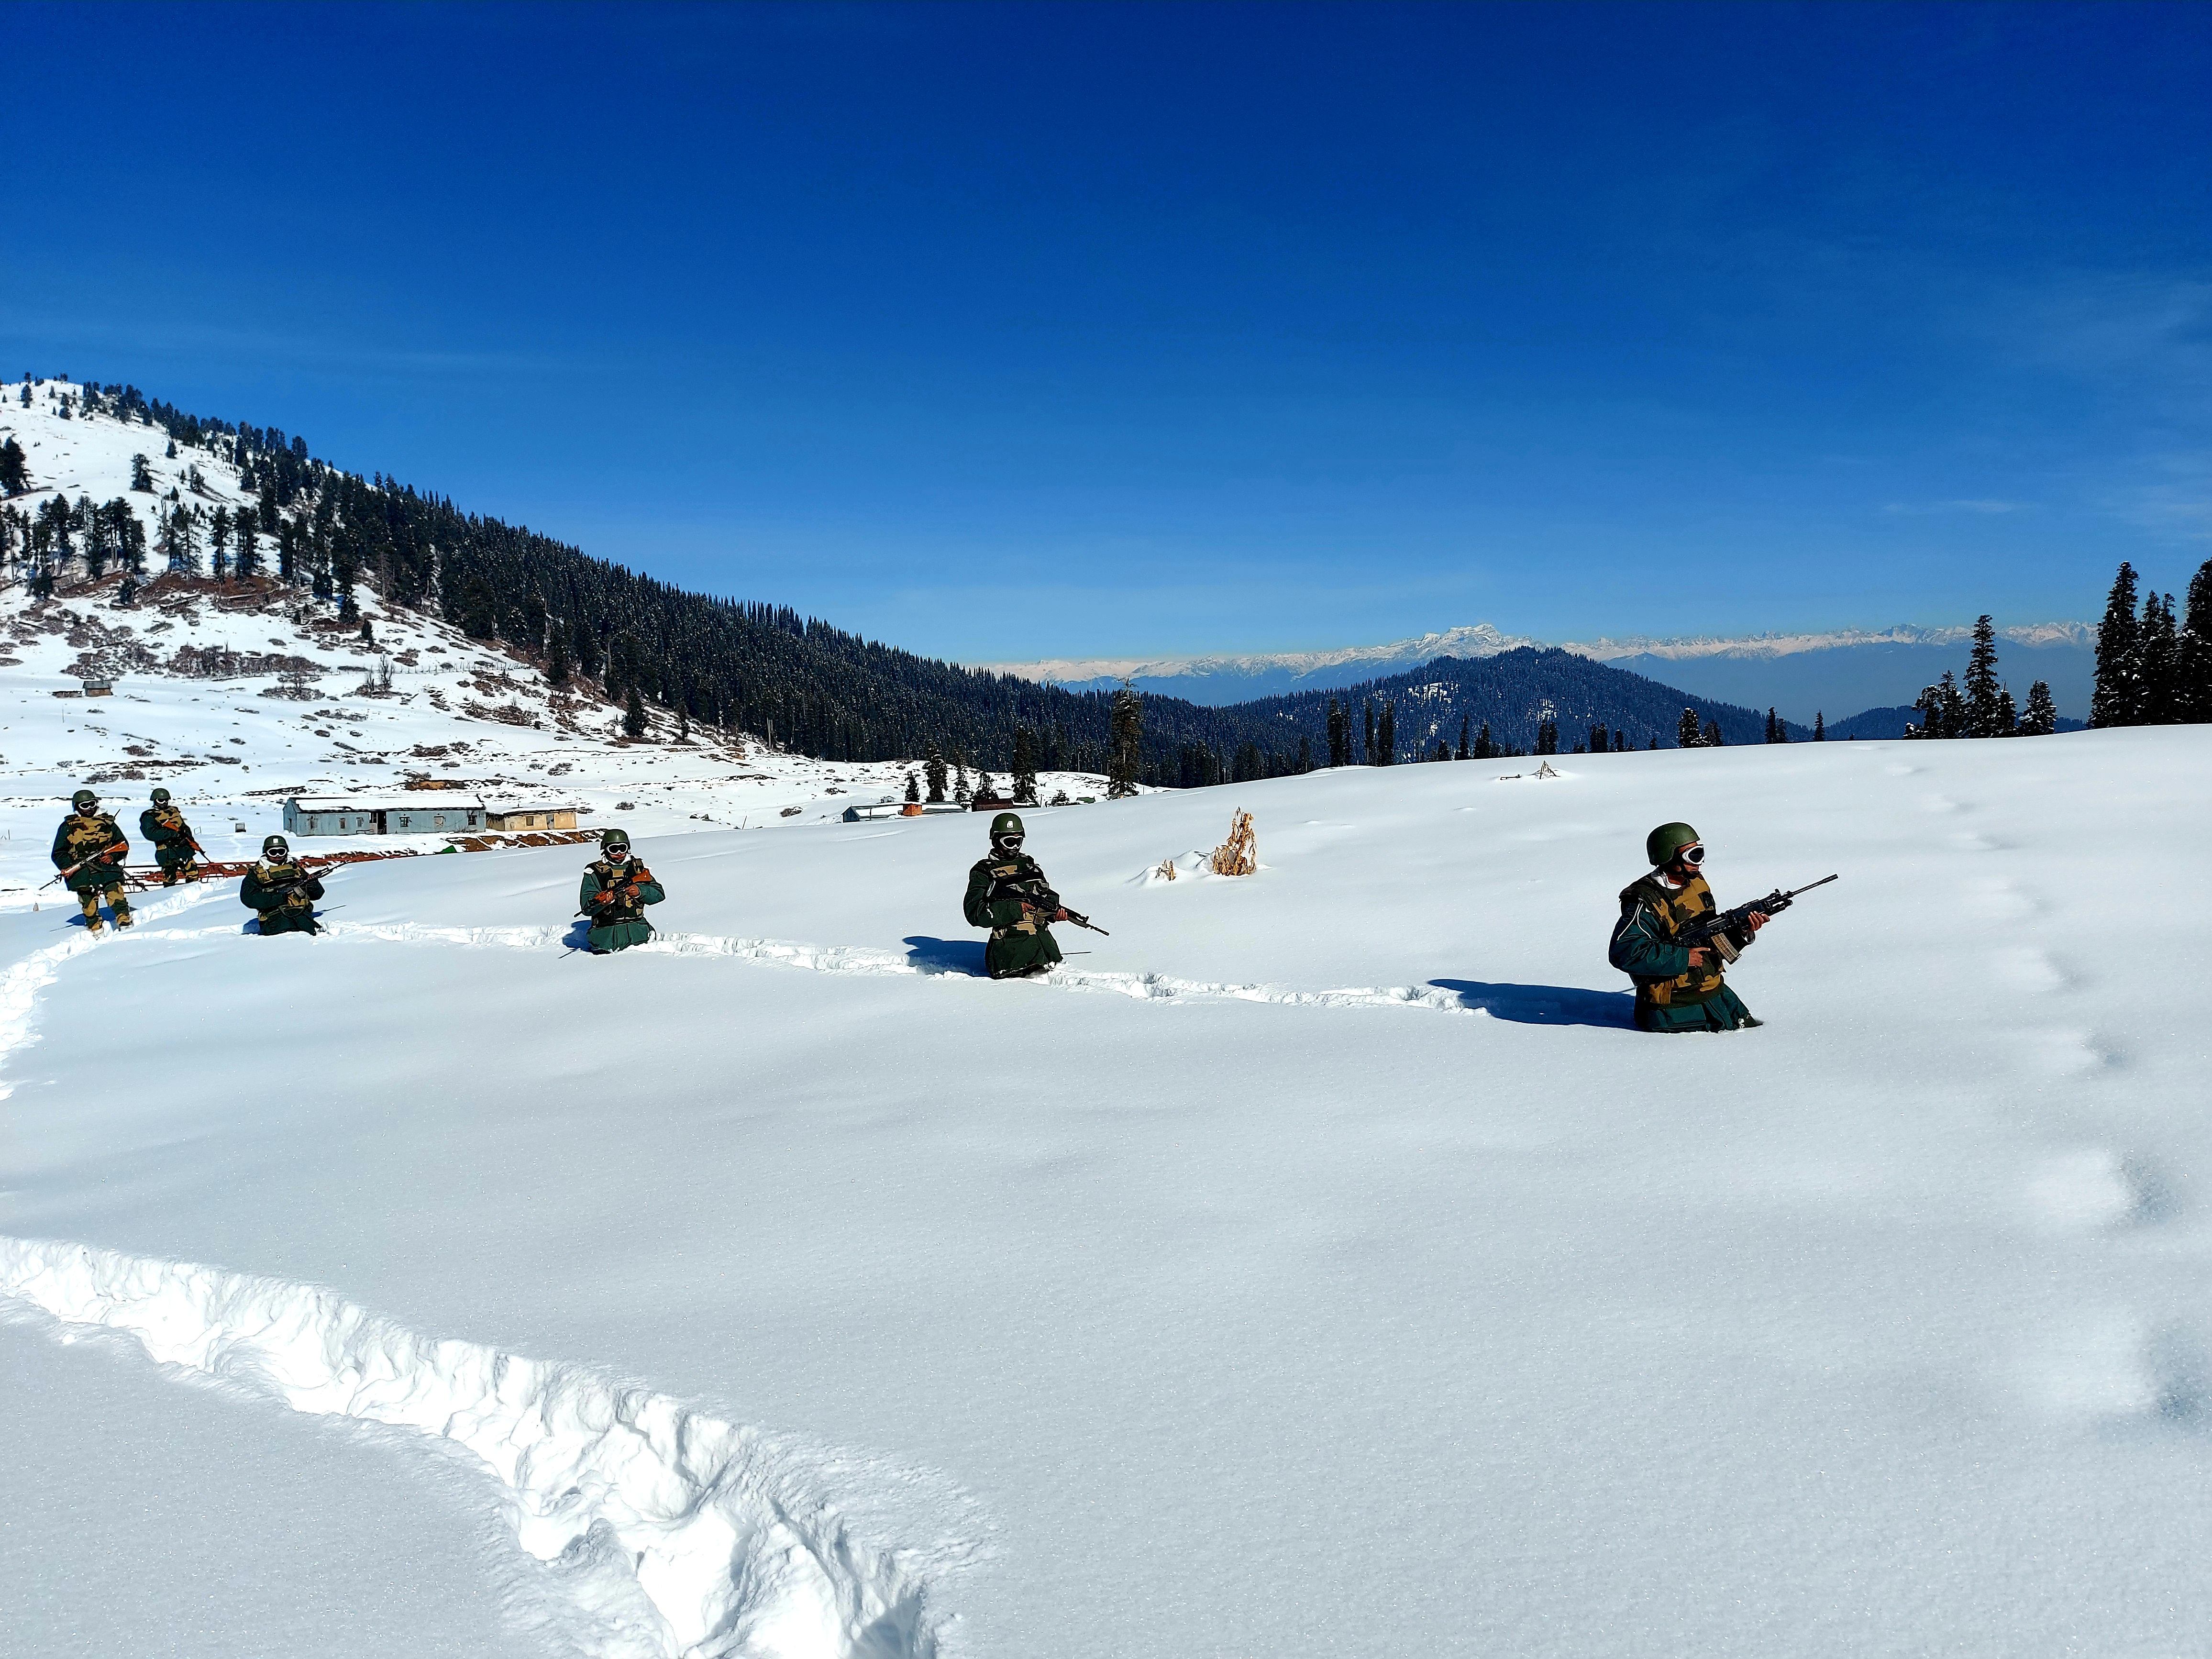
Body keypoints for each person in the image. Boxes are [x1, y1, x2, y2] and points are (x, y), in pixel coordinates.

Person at [1608, 821, 1768, 1032]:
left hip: (1715, 992)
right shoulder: (1646, 900)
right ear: (1668, 857)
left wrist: (1742, 931)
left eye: (1700, 853)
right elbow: (1624, 952)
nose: (1699, 862)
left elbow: (1709, 939)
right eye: (1692, 855)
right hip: (1672, 1009)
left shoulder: (1695, 883)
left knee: (1750, 1030)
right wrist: (1683, 958)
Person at [964, 811, 1066, 979]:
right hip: (1010, 961)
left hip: (1047, 953)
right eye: (1009, 842)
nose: (1015, 847)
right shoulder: (984, 871)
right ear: (996, 840)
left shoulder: (1029, 866)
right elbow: (974, 912)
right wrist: (1015, 909)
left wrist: (1053, 912)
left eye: (1019, 841)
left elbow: (1046, 895)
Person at [51, 788, 133, 933]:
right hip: (82, 869)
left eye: (92, 804)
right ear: (77, 807)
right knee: (87, 899)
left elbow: (122, 845)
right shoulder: (68, 827)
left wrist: (112, 857)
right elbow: (59, 852)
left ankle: (124, 920)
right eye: (85, 805)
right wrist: (67, 866)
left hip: (106, 867)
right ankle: (95, 927)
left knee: (115, 892)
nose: (89, 808)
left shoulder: (108, 823)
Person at [578, 828, 663, 953]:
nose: (619, 853)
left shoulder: (638, 869)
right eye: (613, 849)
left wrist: (640, 891)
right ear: (605, 849)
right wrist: (604, 903)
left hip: (639, 933)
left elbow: (659, 894)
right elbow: (586, 906)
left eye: (622, 848)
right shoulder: (594, 872)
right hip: (606, 936)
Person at [241, 834, 324, 935]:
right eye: (273, 852)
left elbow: (317, 895)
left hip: (301, 914)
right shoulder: (256, 873)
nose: (277, 856)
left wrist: (312, 884)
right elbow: (248, 898)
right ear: (266, 853)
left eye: (281, 851)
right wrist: (278, 898)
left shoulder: (296, 869)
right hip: (274, 918)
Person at [139, 787, 204, 885]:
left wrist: (189, 839)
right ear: (155, 800)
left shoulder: (173, 811)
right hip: (167, 851)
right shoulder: (150, 816)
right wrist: (173, 835)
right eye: (161, 800)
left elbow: (183, 827)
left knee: (193, 873)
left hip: (183, 849)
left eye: (166, 800)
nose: (164, 802)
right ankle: (170, 897)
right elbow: (150, 833)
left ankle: (193, 893)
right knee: (170, 877)